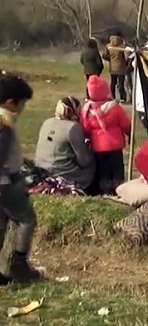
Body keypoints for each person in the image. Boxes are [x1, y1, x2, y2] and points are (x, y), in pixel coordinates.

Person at [0, 74, 43, 284]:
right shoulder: (4, 124)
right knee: (26, 219)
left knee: (1, 225)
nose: (23, 108)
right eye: (22, 103)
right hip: (6, 183)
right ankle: (19, 264)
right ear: (11, 102)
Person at [81, 75, 131, 195]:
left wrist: (89, 137)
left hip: (98, 146)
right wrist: (128, 133)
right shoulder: (114, 108)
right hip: (115, 144)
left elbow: (85, 128)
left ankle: (105, 188)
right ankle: (119, 188)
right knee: (117, 168)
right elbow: (125, 123)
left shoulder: (87, 110)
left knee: (103, 170)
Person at [35, 97, 95, 191]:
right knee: (93, 164)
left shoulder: (47, 122)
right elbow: (83, 161)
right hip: (63, 173)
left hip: (41, 169)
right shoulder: (73, 127)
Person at [102, 34, 128, 102]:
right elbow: (126, 57)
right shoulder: (122, 46)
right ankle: (122, 97)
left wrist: (110, 59)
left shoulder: (108, 46)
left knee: (113, 83)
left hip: (112, 68)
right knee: (121, 83)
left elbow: (104, 55)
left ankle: (113, 96)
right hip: (121, 68)